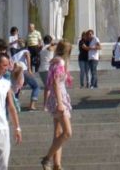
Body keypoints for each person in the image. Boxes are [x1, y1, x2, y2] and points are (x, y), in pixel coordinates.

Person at [41, 40, 73, 170]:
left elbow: (52, 82)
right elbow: (55, 82)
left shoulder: (54, 61)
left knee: (58, 132)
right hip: (59, 98)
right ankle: (47, 158)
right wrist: (60, 103)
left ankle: (57, 164)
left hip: (55, 97)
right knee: (67, 132)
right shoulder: (60, 62)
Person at [12, 44, 40, 111]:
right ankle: (32, 105)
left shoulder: (15, 55)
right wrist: (29, 69)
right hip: (23, 70)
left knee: (17, 88)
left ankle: (15, 105)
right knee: (35, 87)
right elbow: (27, 55)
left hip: (15, 72)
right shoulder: (25, 50)